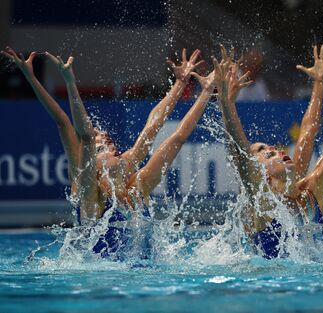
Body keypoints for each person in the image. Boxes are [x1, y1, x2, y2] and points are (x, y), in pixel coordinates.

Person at [1, 47, 214, 259]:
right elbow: (67, 125)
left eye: (105, 144)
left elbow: (167, 134)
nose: (103, 144)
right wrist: (64, 82)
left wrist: (189, 87)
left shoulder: (138, 186)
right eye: (97, 148)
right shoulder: (88, 195)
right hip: (101, 282)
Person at [213, 43, 323, 259]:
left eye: (273, 148)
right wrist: (226, 103)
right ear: (261, 173)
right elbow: (239, 150)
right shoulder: (263, 204)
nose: (275, 150)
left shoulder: (312, 190)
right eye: (267, 153)